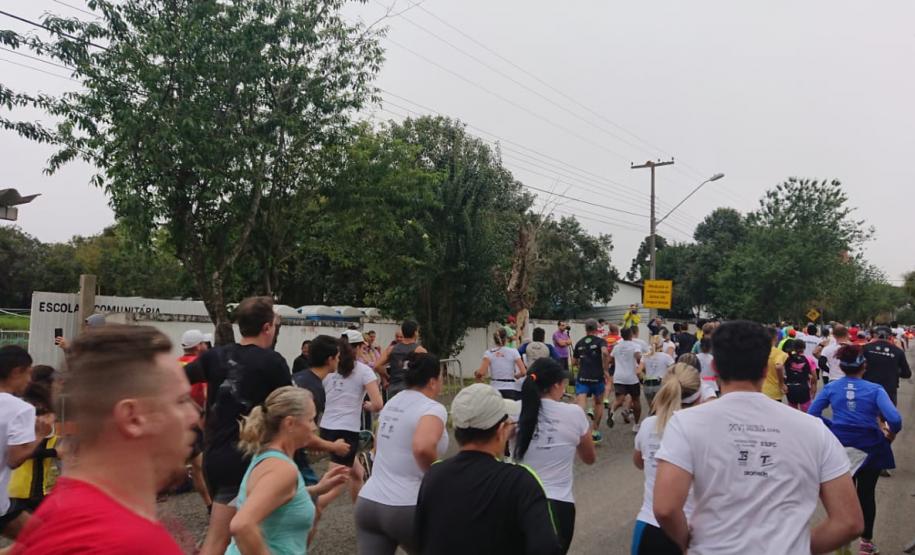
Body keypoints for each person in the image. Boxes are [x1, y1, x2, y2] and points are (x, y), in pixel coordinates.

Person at [653, 320, 863, 554]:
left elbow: (665, 508)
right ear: (765, 369)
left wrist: (686, 543)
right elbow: (850, 522)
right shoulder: (814, 429)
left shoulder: (686, 423)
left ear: (715, 367)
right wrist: (796, 548)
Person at [11, 326, 199, 554]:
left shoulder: (72, 510)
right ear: (132, 418)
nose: (194, 416)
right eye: (181, 401)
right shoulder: (128, 542)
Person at [185, 297, 293, 555]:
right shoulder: (272, 362)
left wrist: (195, 413)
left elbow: (176, 380)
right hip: (250, 460)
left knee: (243, 536)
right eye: (275, 325)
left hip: (215, 457)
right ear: (267, 327)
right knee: (224, 539)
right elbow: (290, 408)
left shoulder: (214, 356)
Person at [415, 383, 563, 555]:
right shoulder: (520, 480)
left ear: (456, 430)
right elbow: (547, 547)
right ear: (501, 430)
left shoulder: (433, 475)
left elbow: (421, 539)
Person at [225, 387, 349, 555]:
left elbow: (272, 496)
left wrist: (316, 489)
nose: (314, 428)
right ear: (290, 423)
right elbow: (241, 525)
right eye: (311, 420)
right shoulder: (282, 469)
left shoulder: (267, 455)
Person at [808, 344, 901, 555]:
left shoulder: (832, 388)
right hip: (870, 446)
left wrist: (832, 427)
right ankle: (866, 544)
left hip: (839, 446)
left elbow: (813, 414)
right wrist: (891, 433)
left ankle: (841, 541)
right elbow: (894, 419)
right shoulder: (875, 389)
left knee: (842, 496)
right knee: (866, 494)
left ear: (840, 366)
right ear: (864, 366)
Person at [355, 353, 448, 555]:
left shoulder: (393, 402)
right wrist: (438, 477)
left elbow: (378, 446)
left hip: (369, 502)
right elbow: (422, 447)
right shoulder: (432, 408)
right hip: (406, 504)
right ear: (432, 381)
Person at [513, 358, 596, 552]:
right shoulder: (574, 413)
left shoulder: (515, 410)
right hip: (558, 505)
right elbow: (589, 458)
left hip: (516, 501)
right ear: (557, 385)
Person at [632, 363, 702, 554]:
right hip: (693, 531)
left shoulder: (648, 425)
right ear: (699, 394)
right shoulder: (706, 429)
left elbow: (638, 461)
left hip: (649, 527)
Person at [317, 332, 384, 508]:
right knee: (337, 481)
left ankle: (361, 518)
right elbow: (378, 403)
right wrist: (368, 405)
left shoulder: (330, 367)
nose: (364, 350)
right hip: (346, 431)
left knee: (357, 473)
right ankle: (313, 505)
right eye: (362, 347)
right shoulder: (364, 371)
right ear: (356, 348)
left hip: (326, 427)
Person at [0, 347, 52, 541]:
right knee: (44, 539)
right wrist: (40, 435)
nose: (30, 379)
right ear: (16, 371)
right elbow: (14, 459)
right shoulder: (20, 409)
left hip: (5, 505)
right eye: (29, 372)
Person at [7, 382, 60, 513]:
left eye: (44, 412)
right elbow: (21, 454)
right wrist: (54, 452)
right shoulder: (21, 429)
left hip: (39, 492)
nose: (38, 418)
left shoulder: (50, 431)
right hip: (17, 492)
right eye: (35, 412)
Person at [177, 329, 212, 511]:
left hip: (176, 421)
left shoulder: (176, 364)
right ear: (198, 346)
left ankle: (210, 504)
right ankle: (211, 504)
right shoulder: (201, 366)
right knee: (200, 465)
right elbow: (206, 394)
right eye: (204, 344)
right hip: (195, 421)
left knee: (196, 464)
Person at [572, 319, 609, 441]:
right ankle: (595, 431)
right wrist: (605, 368)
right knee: (598, 403)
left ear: (585, 329)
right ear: (596, 329)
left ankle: (581, 430)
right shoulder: (601, 341)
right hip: (597, 378)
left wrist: (579, 363)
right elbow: (604, 352)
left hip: (583, 377)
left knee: (581, 404)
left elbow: (574, 362)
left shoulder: (579, 343)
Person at [374, 320, 427, 399]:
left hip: (394, 387)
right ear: (415, 332)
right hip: (412, 388)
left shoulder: (391, 349)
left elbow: (377, 366)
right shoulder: (420, 350)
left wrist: (387, 376)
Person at [861, 327, 911, 406]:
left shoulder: (865, 348)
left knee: (868, 414)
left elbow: (857, 367)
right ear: (890, 336)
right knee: (889, 415)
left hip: (868, 387)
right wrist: (895, 370)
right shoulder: (898, 351)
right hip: (889, 389)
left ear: (874, 335)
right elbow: (907, 374)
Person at [474, 328, 526, 401]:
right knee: (509, 411)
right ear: (506, 339)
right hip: (510, 388)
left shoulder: (489, 353)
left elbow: (481, 372)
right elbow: (523, 372)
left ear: (494, 339)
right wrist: (517, 376)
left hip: (495, 388)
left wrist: (477, 373)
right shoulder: (514, 352)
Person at [609, 326, 643, 432]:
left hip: (619, 376)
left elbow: (611, 359)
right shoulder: (635, 346)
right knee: (636, 400)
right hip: (632, 377)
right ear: (631, 334)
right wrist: (639, 360)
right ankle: (636, 425)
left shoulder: (617, 346)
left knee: (619, 399)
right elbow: (638, 356)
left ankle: (612, 412)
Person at [637, 335, 675, 408]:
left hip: (648, 384)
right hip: (661, 384)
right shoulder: (666, 357)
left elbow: (638, 371)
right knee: (661, 409)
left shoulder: (645, 356)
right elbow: (674, 370)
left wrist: (643, 379)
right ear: (662, 345)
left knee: (652, 409)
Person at [783, 339, 817, 411]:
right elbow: (814, 376)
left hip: (790, 388)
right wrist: (814, 387)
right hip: (803, 388)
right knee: (806, 411)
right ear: (804, 348)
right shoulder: (809, 359)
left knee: (793, 410)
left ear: (794, 348)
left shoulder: (787, 358)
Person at [761, 326, 788, 401]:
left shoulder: (756, 351)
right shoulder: (779, 353)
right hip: (773, 392)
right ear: (776, 337)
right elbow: (779, 367)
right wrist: (781, 384)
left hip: (758, 391)